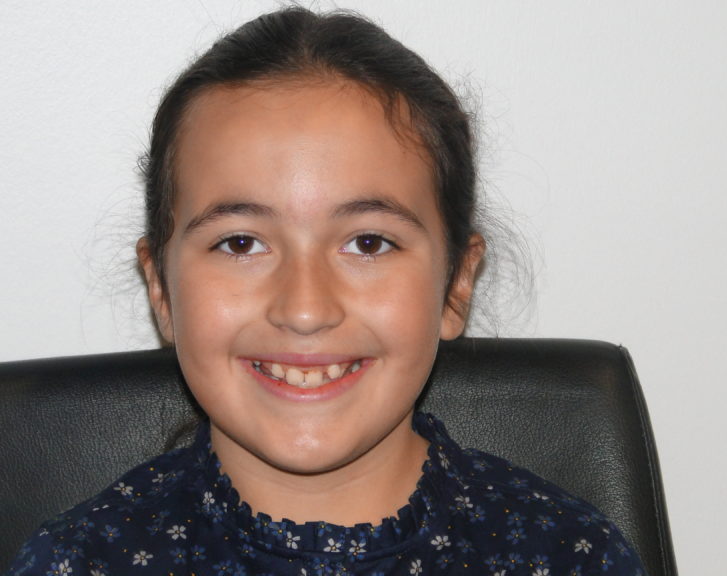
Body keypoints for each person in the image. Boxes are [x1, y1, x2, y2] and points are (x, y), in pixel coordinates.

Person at [7, 7, 646, 576]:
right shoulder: (76, 563)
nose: (305, 309)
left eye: (368, 243)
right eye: (240, 243)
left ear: (456, 283)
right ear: (161, 289)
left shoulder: (572, 557)